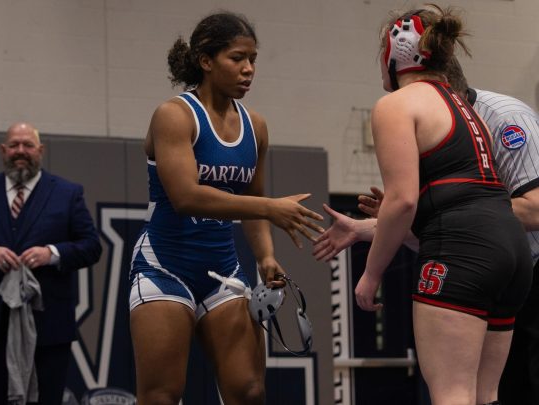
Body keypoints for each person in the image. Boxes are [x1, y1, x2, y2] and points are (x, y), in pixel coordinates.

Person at [313, 5, 532, 405]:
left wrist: (370, 273)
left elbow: (402, 201)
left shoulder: (398, 105)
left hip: (461, 252)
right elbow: (457, 197)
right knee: (486, 395)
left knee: (451, 395)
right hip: (512, 252)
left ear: (397, 53)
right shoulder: (467, 108)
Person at [127, 11, 323, 405]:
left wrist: (266, 256)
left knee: (249, 392)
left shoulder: (257, 126)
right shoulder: (174, 115)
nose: (248, 69)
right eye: (237, 58)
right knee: (162, 396)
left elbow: (251, 205)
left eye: (253, 59)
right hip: (165, 267)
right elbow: (186, 197)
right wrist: (270, 208)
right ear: (206, 60)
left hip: (223, 271)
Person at [0, 122, 102, 405]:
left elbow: (91, 246)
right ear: (3, 150)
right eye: (14, 145)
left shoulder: (67, 194)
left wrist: (51, 253)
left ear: (40, 150)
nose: (21, 151)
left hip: (47, 332)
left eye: (28, 145)